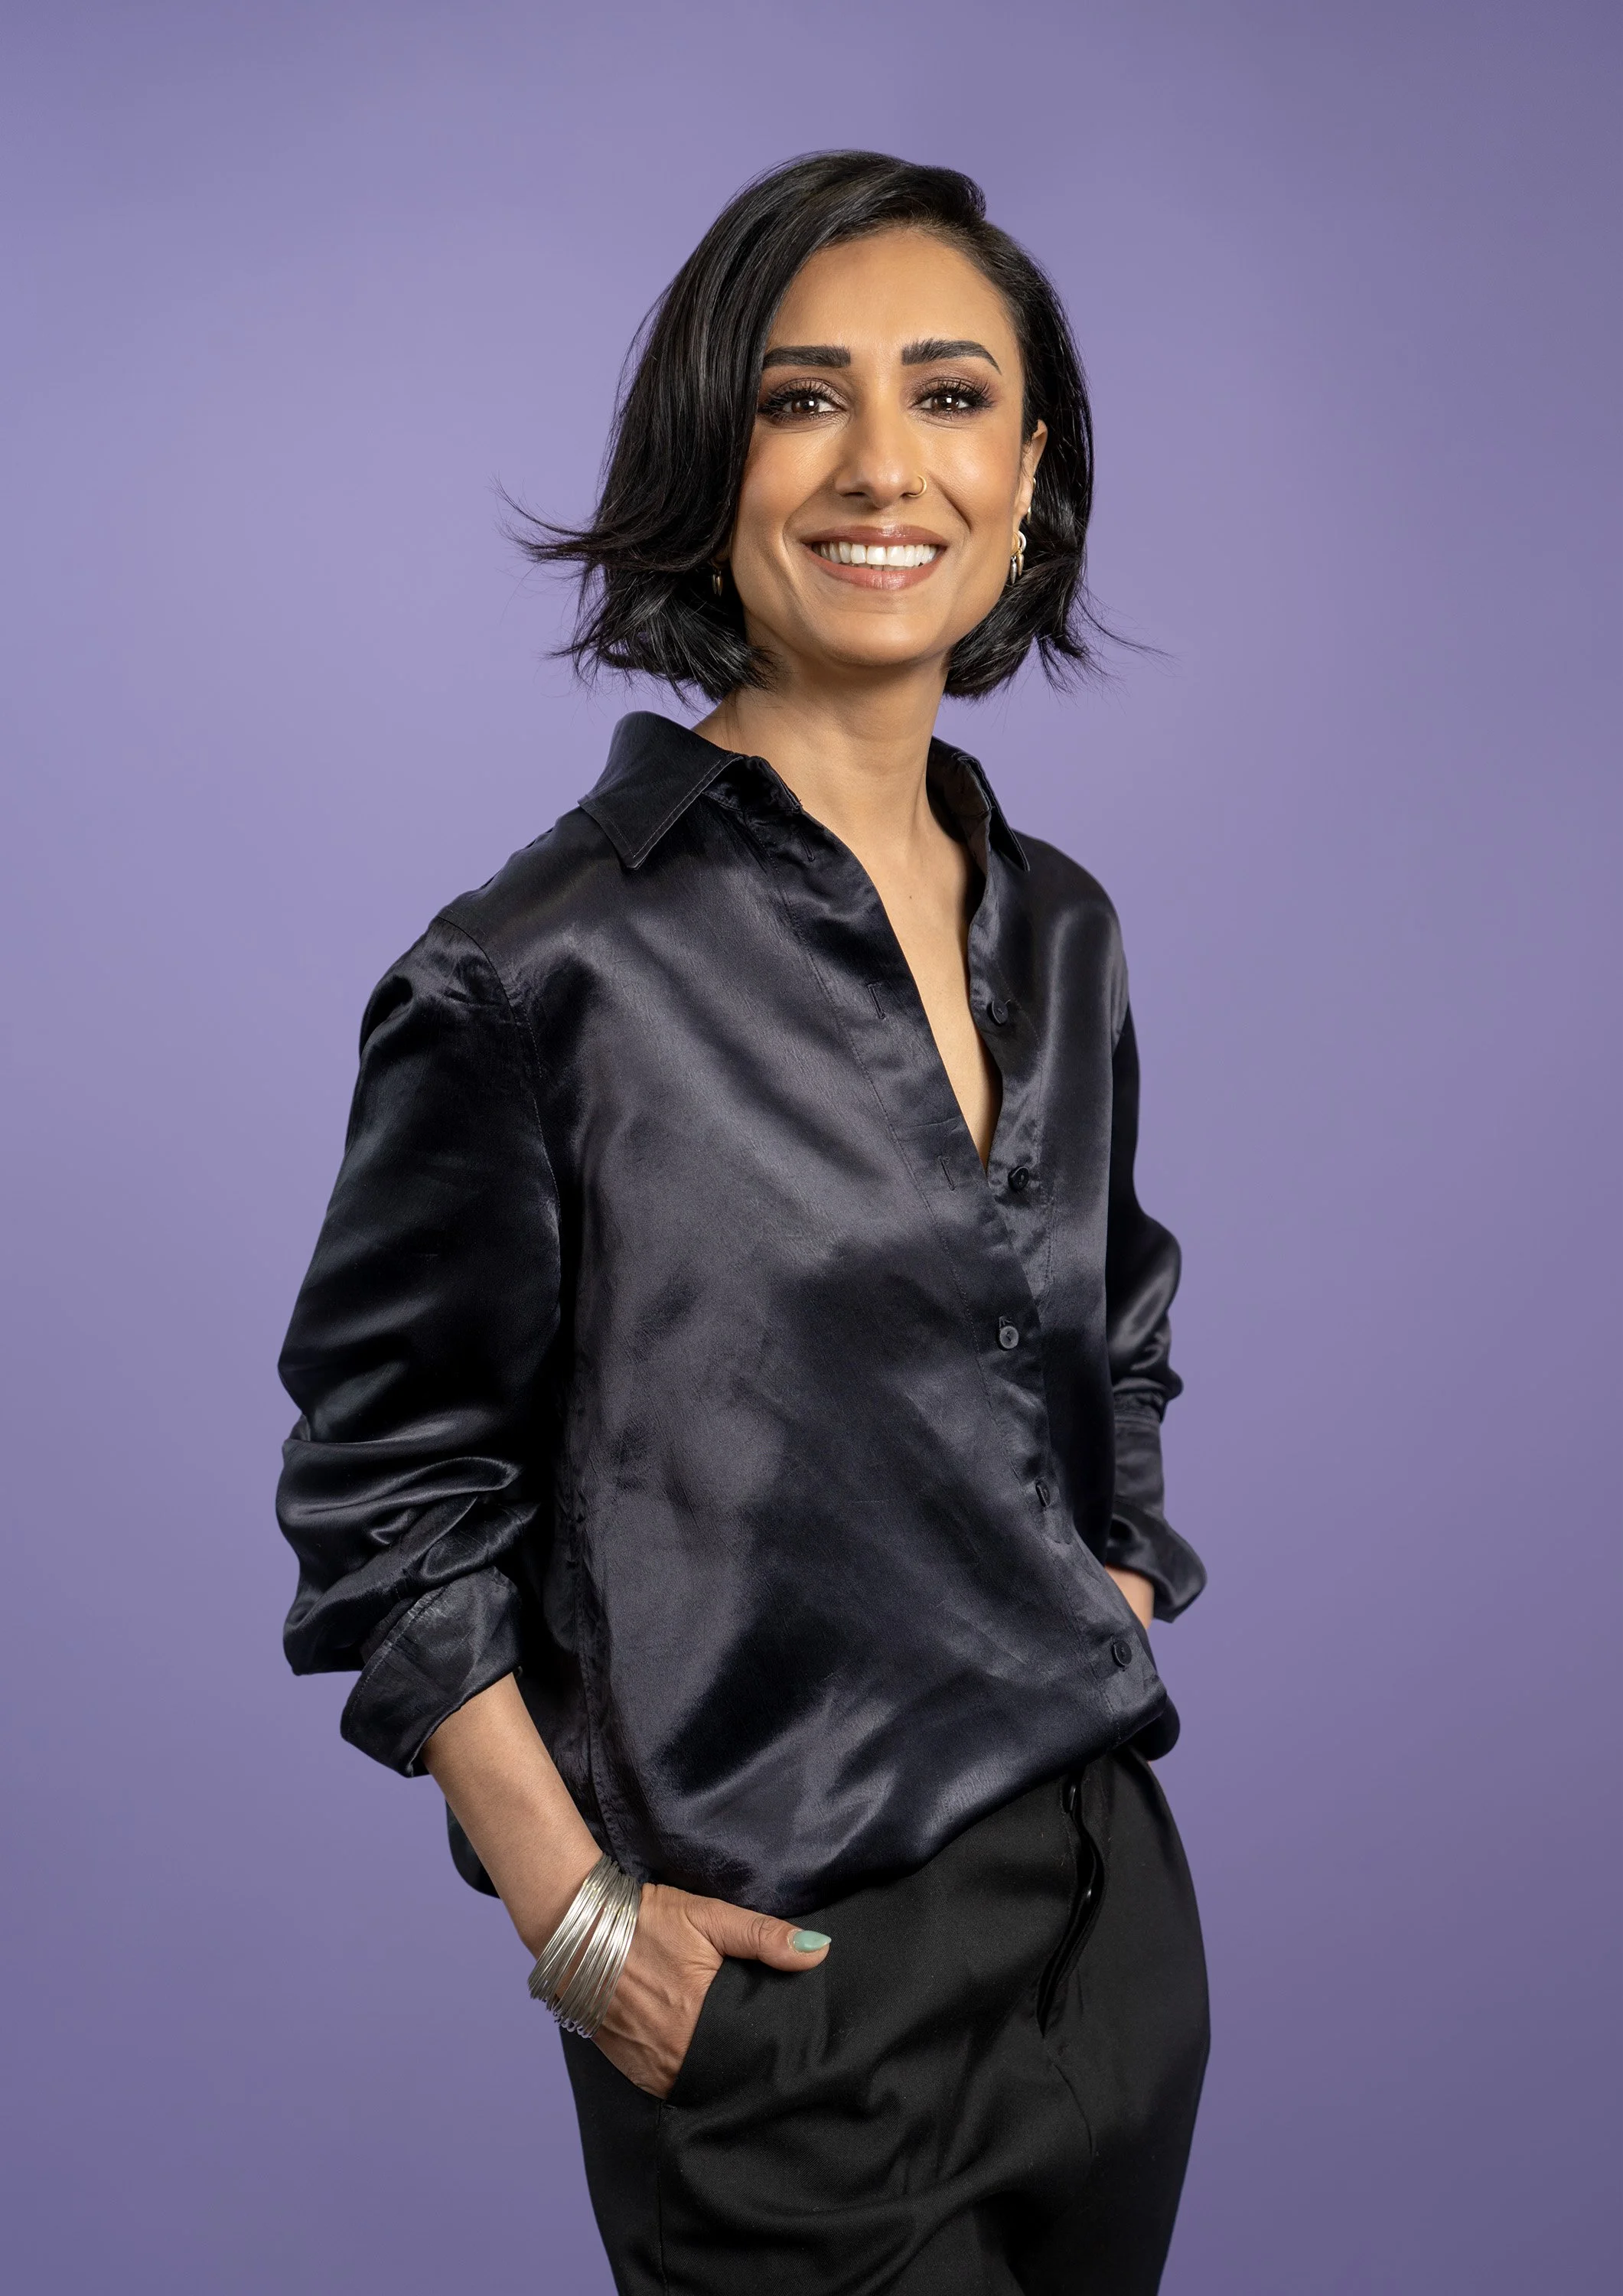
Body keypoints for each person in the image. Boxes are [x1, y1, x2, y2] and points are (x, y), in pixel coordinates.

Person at [276, 150, 1209, 2295]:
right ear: (718, 458)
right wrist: (581, 1928)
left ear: (1032, 466)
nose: (885, 464)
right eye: (807, 400)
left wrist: (1115, 1555)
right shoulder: (538, 969)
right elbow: (384, 1496)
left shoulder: (1056, 925)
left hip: (1109, 1929)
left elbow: (1112, 1303)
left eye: (952, 396)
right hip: (793, 2005)